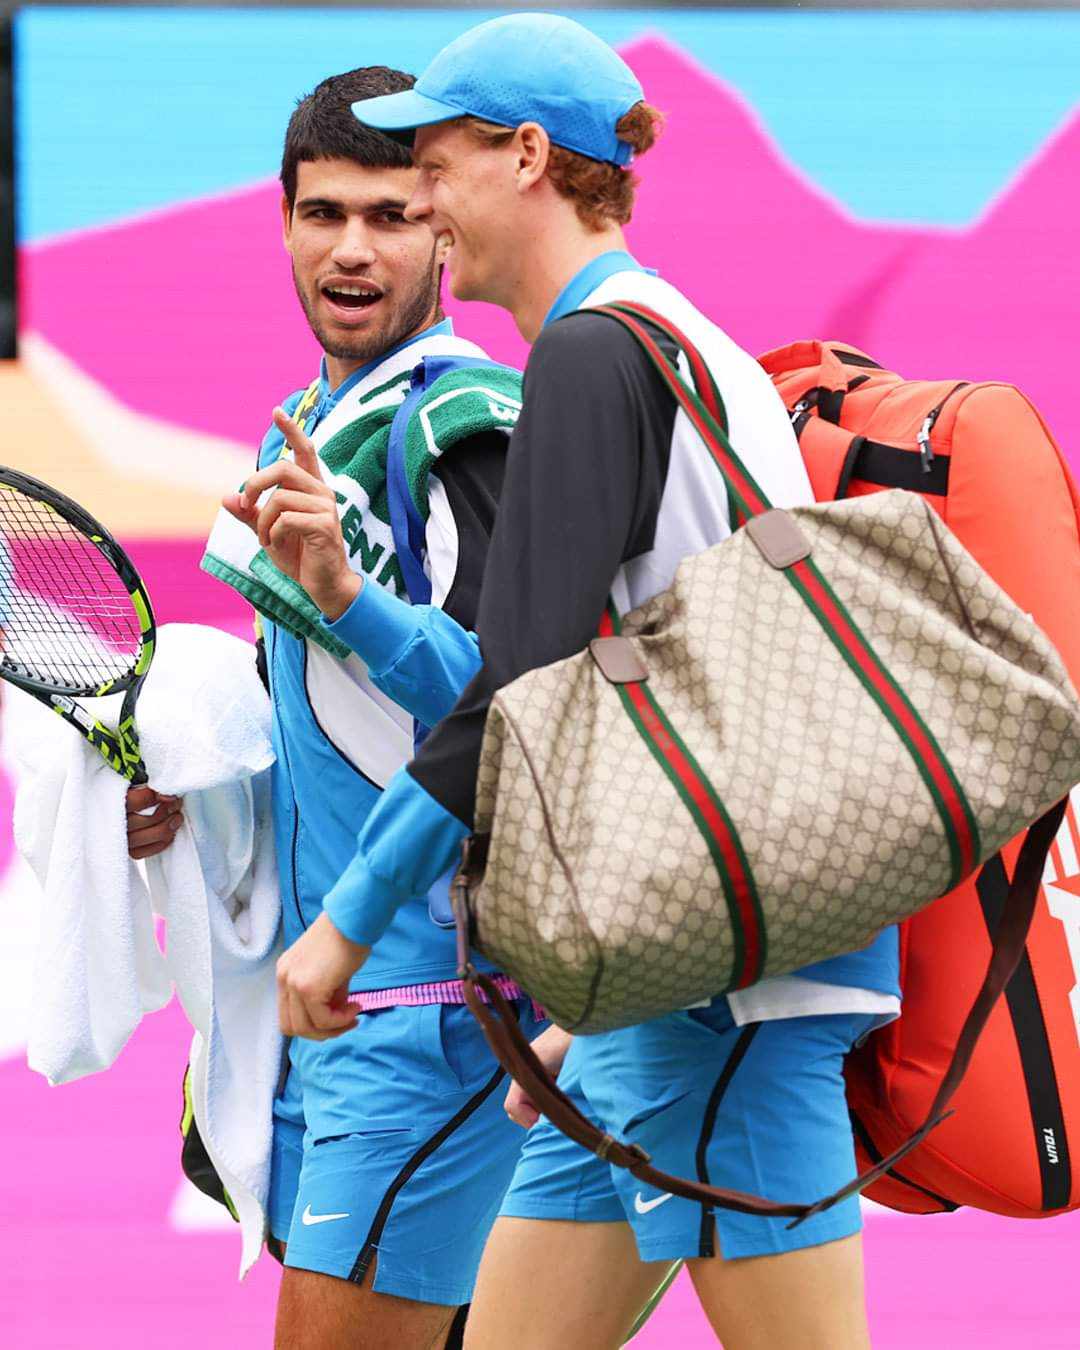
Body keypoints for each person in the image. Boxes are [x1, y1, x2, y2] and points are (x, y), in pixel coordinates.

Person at [277, 16, 903, 1350]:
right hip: (671, 978)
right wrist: (596, 1002)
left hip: (736, 984)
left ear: (523, 157)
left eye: (434, 166)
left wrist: (348, 918)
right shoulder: (675, 339)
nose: (423, 204)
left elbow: (519, 688)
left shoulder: (591, 354)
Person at [127, 65, 545, 1350]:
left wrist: (350, 597)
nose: (351, 250)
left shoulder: (466, 425)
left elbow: (514, 711)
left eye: (389, 214)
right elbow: (325, 731)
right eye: (323, 214)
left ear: (445, 227)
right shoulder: (305, 429)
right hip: (324, 1007)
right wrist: (197, 801)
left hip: (433, 1013)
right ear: (284, 221)